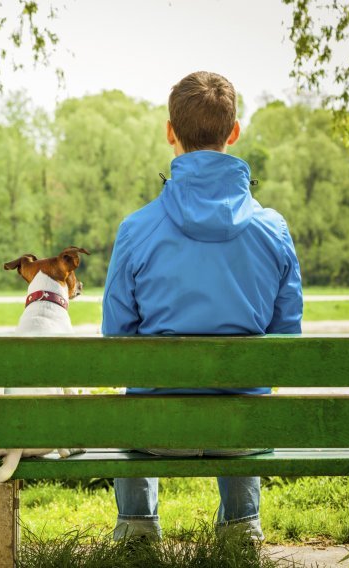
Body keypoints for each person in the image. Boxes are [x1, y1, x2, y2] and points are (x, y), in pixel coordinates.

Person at [101, 71, 303, 542]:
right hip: (243, 432)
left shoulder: (137, 228)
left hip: (156, 432)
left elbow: (117, 336)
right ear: (233, 133)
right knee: (245, 395)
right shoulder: (272, 230)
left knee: (140, 397)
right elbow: (286, 338)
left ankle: (137, 527)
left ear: (170, 132)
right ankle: (240, 526)